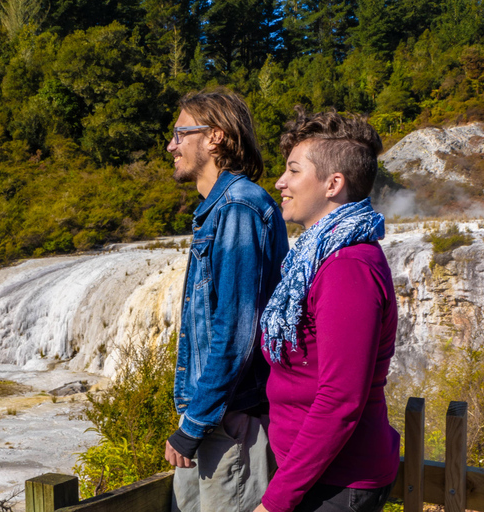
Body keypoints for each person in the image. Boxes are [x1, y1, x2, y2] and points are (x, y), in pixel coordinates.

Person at [257, 108, 400, 512]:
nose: (280, 182)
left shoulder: (347, 267)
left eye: (293, 171)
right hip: (314, 473)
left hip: (337, 483)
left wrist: (276, 501)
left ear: (333, 184)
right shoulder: (315, 258)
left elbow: (340, 400)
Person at [163, 90, 289, 512]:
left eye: (181, 133)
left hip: (226, 419)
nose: (171, 145)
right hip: (211, 414)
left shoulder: (238, 207)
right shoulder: (217, 210)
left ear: (214, 137)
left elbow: (235, 329)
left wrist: (195, 423)